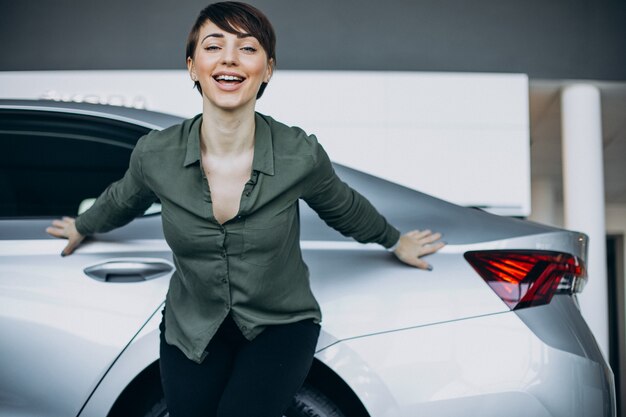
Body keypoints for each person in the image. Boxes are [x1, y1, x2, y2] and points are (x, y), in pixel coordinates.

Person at [46, 2, 445, 416]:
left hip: (280, 325)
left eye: (247, 48)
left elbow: (345, 208)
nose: (229, 59)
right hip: (191, 327)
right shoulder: (156, 155)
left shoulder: (299, 154)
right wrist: (82, 225)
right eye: (214, 46)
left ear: (267, 69)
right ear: (192, 66)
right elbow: (121, 200)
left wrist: (395, 241)